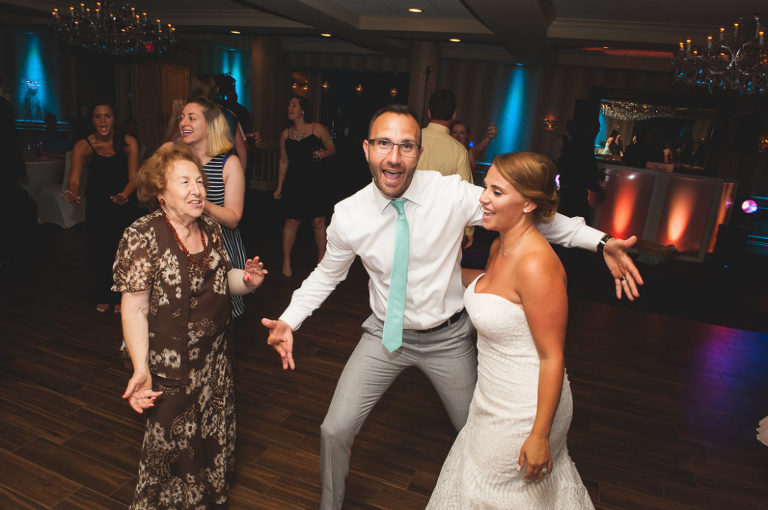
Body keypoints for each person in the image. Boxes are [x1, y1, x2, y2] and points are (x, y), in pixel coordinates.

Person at [261, 105, 643, 510]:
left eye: (406, 146)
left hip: (447, 339)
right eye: (384, 144)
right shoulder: (349, 215)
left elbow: (529, 214)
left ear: (419, 153)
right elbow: (326, 275)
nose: (394, 157)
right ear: (366, 149)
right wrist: (289, 320)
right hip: (384, 335)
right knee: (333, 430)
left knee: (476, 437)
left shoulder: (450, 193)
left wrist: (600, 241)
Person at [427, 152, 594, 508]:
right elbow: (493, 288)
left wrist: (539, 434)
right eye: (486, 187)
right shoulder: (500, 243)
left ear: (529, 203)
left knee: (491, 493)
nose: (483, 198)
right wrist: (431, 272)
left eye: (497, 192)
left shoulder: (537, 265)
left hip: (526, 407)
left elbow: (552, 357)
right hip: (490, 396)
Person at [114, 143, 267, 509]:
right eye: (184, 182)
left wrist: (247, 280)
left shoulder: (210, 228)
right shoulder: (142, 235)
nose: (197, 190)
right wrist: (140, 368)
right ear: (160, 191)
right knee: (167, 447)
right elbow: (134, 308)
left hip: (214, 360)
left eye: (199, 181)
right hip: (170, 367)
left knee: (209, 434)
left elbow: (222, 281)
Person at [164, 97, 248, 318]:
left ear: (211, 125)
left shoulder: (228, 163)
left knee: (217, 315)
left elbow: (233, 218)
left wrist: (199, 202)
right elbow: (152, 191)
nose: (183, 123)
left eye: (192, 118)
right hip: (178, 242)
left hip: (219, 247)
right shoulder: (170, 153)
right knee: (177, 313)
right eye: (182, 117)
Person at [63, 103, 139, 313]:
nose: (103, 121)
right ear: (92, 121)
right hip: (98, 205)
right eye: (98, 116)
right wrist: (73, 192)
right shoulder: (83, 145)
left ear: (115, 119)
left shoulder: (128, 142)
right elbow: (74, 180)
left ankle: (122, 295)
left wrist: (125, 194)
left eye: (107, 116)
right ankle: (103, 294)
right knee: (99, 250)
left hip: (124, 202)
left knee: (123, 251)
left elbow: (135, 178)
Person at [274, 95, 335, 278]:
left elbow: (332, 146)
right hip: (294, 183)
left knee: (318, 221)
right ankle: (286, 261)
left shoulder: (318, 129)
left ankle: (322, 261)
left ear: (302, 110)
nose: (290, 108)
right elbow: (283, 161)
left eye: (294, 105)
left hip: (316, 182)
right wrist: (279, 186)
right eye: (289, 105)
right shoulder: (286, 134)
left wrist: (325, 152)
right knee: (291, 221)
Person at [417, 89, 474, 248]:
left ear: (429, 113)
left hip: (406, 218)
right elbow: (465, 194)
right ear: (454, 115)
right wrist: (468, 230)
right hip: (441, 227)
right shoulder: (459, 150)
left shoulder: (411, 139)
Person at [164, 73, 249, 168]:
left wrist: (176, 115)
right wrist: (239, 173)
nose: (184, 122)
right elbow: (242, 151)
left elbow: (170, 142)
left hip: (197, 167)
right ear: (215, 90)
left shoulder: (190, 114)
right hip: (218, 168)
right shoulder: (228, 115)